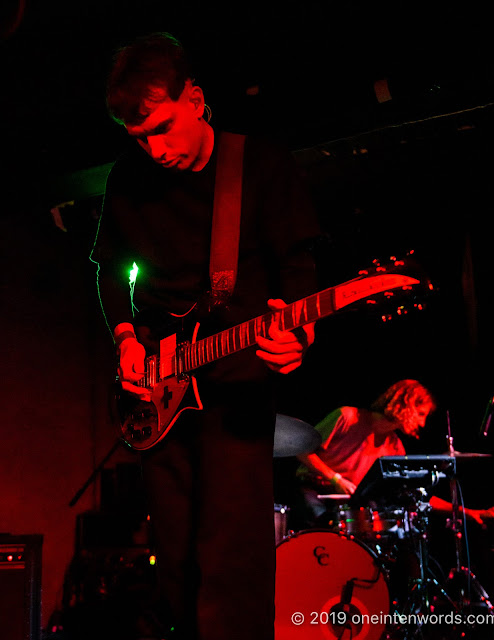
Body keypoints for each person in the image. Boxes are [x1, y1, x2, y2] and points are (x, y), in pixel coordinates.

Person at [91, 32, 320, 640]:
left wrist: (297, 337)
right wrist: (127, 341)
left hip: (238, 390)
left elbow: (298, 272)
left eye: (163, 128)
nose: (154, 150)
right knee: (177, 564)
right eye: (138, 138)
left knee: (232, 564)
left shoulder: (259, 164)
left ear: (194, 98)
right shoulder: (126, 180)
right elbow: (111, 271)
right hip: (159, 395)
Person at [297, 379, 494, 527]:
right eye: (421, 414)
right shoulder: (347, 417)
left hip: (352, 507)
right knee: (323, 527)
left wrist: (466, 512)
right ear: (405, 403)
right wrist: (335, 478)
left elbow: (412, 494)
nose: (422, 423)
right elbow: (302, 449)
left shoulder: (395, 446)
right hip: (314, 493)